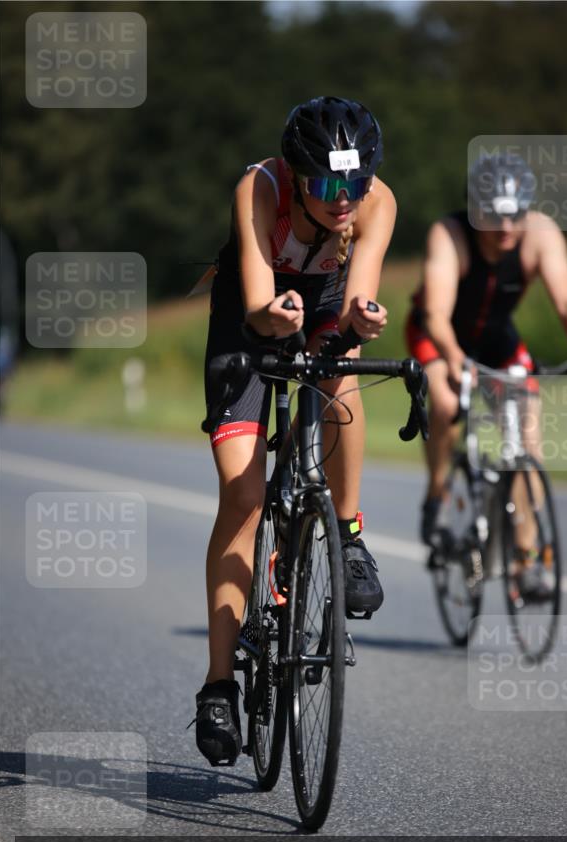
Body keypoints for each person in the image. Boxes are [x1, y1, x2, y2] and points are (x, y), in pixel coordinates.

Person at [194, 96, 396, 766]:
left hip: (322, 303)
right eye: (329, 185)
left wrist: (359, 325)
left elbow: (354, 301)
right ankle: (218, 685)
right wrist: (271, 318)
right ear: (295, 172)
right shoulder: (259, 187)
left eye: (356, 182)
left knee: (342, 377)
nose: (345, 199)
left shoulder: (375, 204)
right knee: (245, 497)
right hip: (250, 311)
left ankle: (345, 532)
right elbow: (255, 304)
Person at [405, 153, 567, 594]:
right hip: (438, 335)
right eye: (494, 218)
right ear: (474, 211)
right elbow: (436, 313)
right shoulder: (449, 234)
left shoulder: (540, 235)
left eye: (516, 216)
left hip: (498, 338)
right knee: (443, 399)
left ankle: (526, 561)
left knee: (526, 440)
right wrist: (455, 360)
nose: (506, 230)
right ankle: (437, 495)